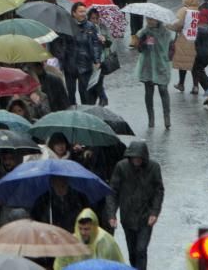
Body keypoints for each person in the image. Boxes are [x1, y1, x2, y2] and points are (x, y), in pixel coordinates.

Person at [105, 141, 165, 270]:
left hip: (146, 216)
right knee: (132, 251)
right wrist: (111, 214)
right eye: (134, 157)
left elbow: (159, 191)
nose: (136, 160)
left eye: (139, 157)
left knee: (141, 250)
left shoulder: (154, 168)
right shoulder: (121, 167)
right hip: (127, 217)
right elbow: (112, 192)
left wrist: (154, 212)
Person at [53, 208, 126, 269]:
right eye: (80, 229)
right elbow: (60, 265)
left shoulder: (107, 242)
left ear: (94, 227)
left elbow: (117, 266)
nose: (83, 232)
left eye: (86, 229)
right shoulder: (70, 243)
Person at [134, 17, 173, 129]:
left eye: (152, 20)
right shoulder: (144, 32)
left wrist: (168, 56)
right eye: (148, 19)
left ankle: (167, 116)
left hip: (161, 65)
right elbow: (140, 49)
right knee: (149, 91)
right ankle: (151, 118)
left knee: (163, 89)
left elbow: (171, 47)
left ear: (157, 20)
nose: (149, 22)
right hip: (148, 65)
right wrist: (145, 42)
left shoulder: (166, 32)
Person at [65, 2, 101, 106]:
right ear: (74, 13)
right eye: (80, 11)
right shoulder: (67, 26)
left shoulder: (90, 26)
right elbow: (61, 44)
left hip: (85, 65)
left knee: (85, 94)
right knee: (70, 94)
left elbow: (95, 44)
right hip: (70, 65)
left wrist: (97, 60)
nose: (83, 14)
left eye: (84, 11)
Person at [169, 0, 201, 93]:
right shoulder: (199, 11)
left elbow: (178, 24)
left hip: (185, 39)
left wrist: (169, 26)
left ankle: (181, 84)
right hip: (197, 39)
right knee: (195, 64)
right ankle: (196, 86)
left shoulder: (184, 10)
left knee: (183, 63)